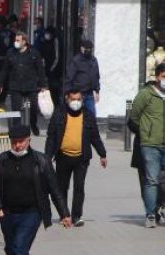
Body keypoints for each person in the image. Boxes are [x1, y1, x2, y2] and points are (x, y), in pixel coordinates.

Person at [0, 125, 72, 255]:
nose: (17, 145)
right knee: (11, 250)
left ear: (29, 140)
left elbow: (54, 188)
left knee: (19, 247)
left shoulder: (41, 161)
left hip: (31, 213)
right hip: (7, 214)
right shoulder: (2, 160)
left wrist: (64, 213)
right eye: (14, 142)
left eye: (21, 141)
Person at [129, 63, 165, 228]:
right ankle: (150, 214)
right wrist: (146, 133)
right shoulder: (145, 95)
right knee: (151, 180)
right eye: (164, 77)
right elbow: (134, 117)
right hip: (150, 145)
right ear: (157, 77)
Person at [45, 89, 107, 226]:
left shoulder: (88, 115)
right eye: (73, 99)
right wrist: (47, 157)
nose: (76, 102)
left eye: (78, 99)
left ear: (82, 100)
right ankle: (64, 214)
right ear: (67, 99)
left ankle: (77, 215)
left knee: (79, 187)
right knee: (62, 187)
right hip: (63, 156)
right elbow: (51, 136)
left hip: (82, 158)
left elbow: (95, 136)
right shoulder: (59, 113)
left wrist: (102, 154)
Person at [0, 32, 47, 135]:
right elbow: (5, 69)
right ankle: (17, 130)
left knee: (33, 107)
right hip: (16, 85)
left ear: (24, 41)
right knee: (16, 109)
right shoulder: (11, 52)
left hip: (31, 85)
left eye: (18, 40)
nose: (16, 42)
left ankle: (33, 124)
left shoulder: (34, 53)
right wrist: (0, 84)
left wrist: (43, 85)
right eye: (15, 40)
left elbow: (40, 70)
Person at [64, 40, 100, 115]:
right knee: (76, 114)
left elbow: (96, 76)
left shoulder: (93, 60)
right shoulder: (76, 61)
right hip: (78, 93)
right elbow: (69, 77)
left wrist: (97, 91)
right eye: (86, 48)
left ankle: (91, 127)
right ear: (81, 48)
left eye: (90, 49)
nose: (88, 51)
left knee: (92, 114)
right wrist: (67, 92)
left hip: (89, 93)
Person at [41, 26, 62, 107]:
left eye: (48, 33)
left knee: (54, 88)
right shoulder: (45, 42)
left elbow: (57, 57)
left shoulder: (55, 41)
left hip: (54, 70)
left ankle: (55, 105)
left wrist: (52, 68)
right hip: (46, 68)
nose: (47, 35)